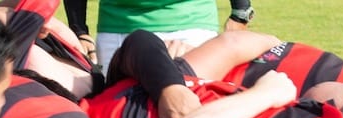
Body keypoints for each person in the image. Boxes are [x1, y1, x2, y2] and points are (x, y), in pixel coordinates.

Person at [63, 0, 256, 67]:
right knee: (119, 114)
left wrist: (241, 11)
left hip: (191, 25)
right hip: (117, 27)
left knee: (192, 114)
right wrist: (79, 29)